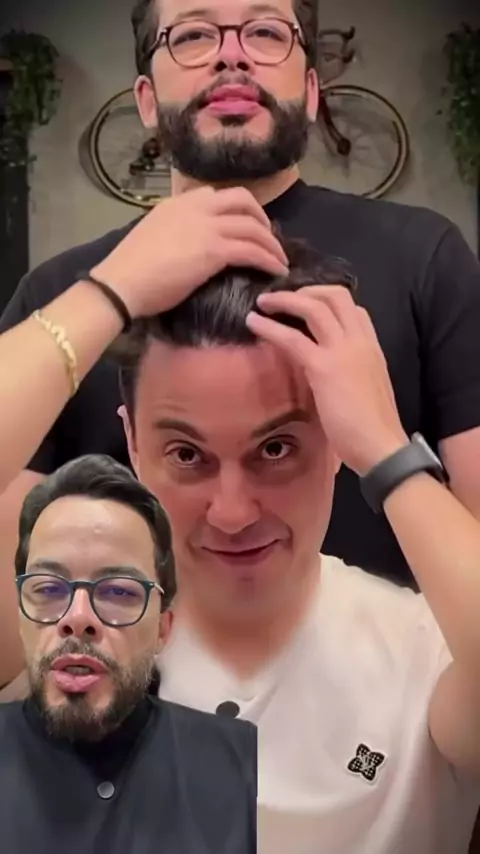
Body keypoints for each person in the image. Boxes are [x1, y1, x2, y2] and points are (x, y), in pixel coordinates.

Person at [1, 0, 480, 661]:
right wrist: (109, 293)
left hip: (406, 698)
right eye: (195, 34)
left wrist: (384, 449)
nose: (232, 53)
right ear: (146, 100)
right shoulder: (62, 293)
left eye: (264, 31)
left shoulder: (424, 256)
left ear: (310, 91)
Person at [0, 454, 256, 854]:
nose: (77, 618)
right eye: (48, 589)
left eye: (118, 591)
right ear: (20, 617)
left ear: (163, 628)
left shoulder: (244, 765)